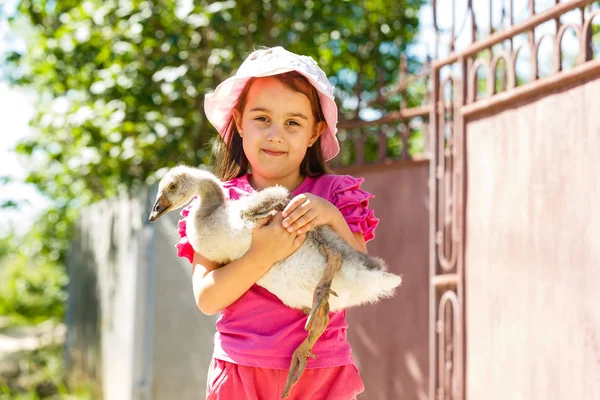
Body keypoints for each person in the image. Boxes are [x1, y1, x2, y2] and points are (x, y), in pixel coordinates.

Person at [175, 46, 379, 400]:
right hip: (241, 373)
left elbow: (359, 279)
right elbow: (207, 298)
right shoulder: (215, 204)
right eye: (262, 118)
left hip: (320, 372)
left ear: (314, 133)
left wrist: (330, 217)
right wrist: (262, 253)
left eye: (293, 122)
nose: (275, 134)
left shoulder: (336, 195)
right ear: (238, 121)